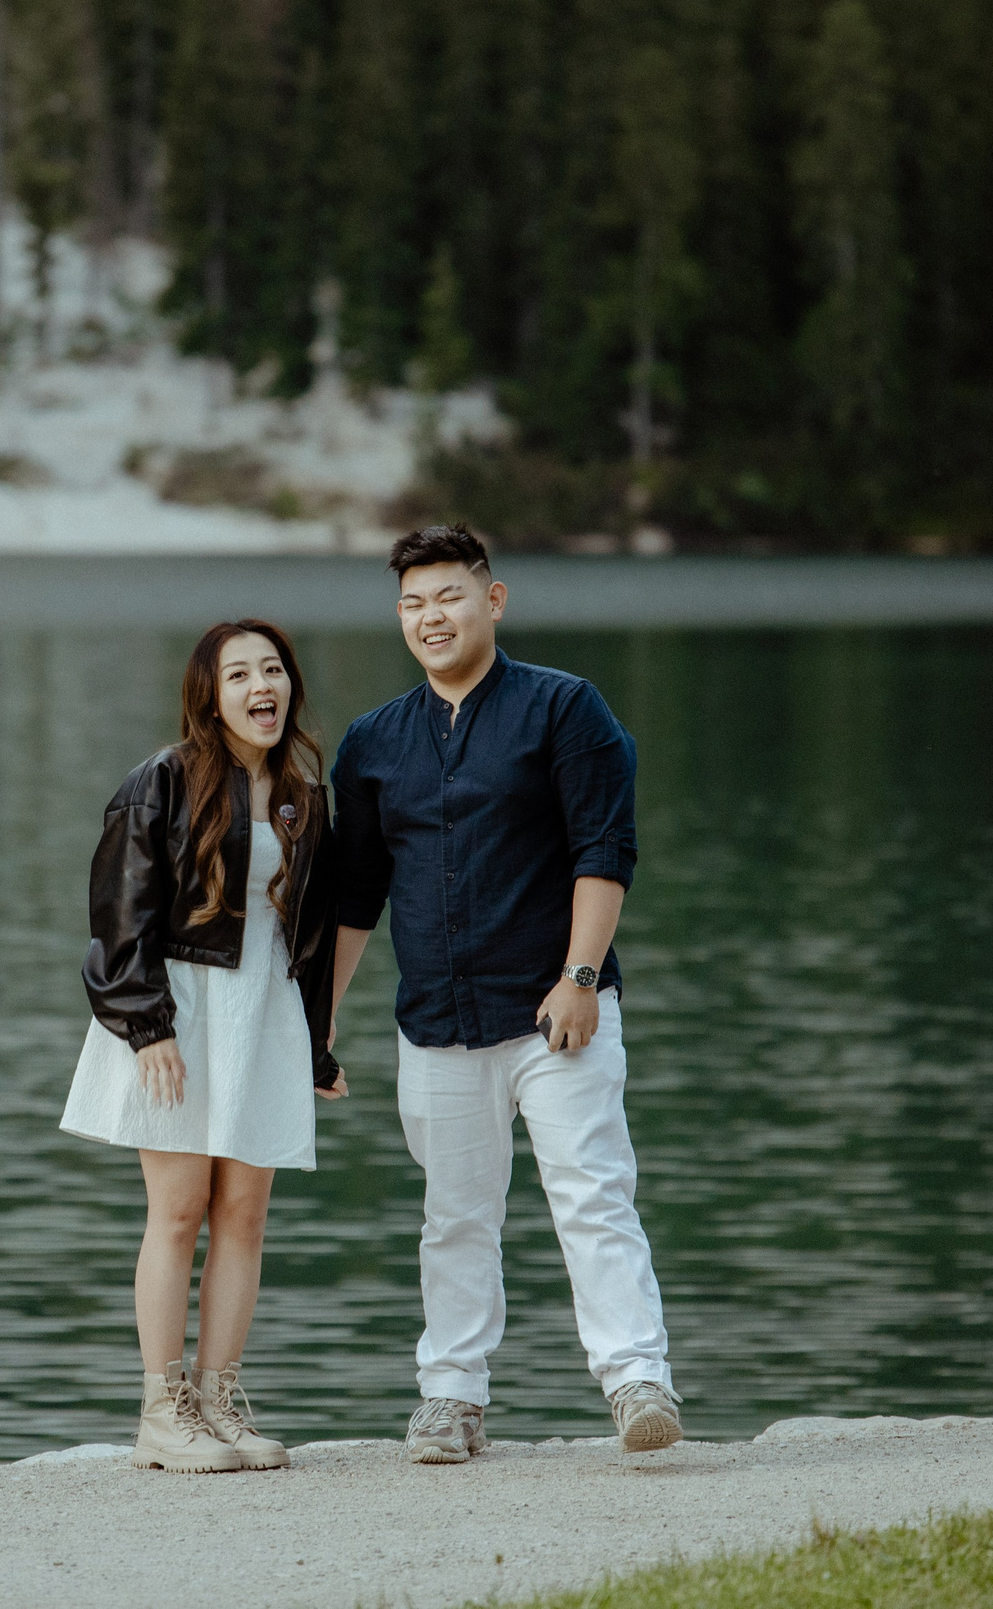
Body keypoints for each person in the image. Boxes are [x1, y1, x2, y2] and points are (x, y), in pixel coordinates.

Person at [328, 524, 681, 1465]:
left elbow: (604, 851)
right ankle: (451, 1398)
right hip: (436, 1023)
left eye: (447, 596)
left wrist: (580, 978)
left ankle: (637, 1378)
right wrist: (317, 1027)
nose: (429, 617)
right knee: (455, 1212)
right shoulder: (372, 744)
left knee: (593, 1194)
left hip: (553, 1012)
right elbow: (354, 900)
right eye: (411, 603)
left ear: (495, 599)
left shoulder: (565, 710)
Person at [63, 619, 349, 1473]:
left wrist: (317, 1051)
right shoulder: (162, 780)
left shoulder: (302, 792)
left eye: (274, 670)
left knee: (245, 1216)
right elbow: (118, 917)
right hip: (176, 1012)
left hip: (263, 1014)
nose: (261, 686)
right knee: (179, 1212)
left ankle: (219, 1400)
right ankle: (162, 1408)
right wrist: (145, 1026)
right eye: (239, 675)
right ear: (210, 696)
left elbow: (310, 935)